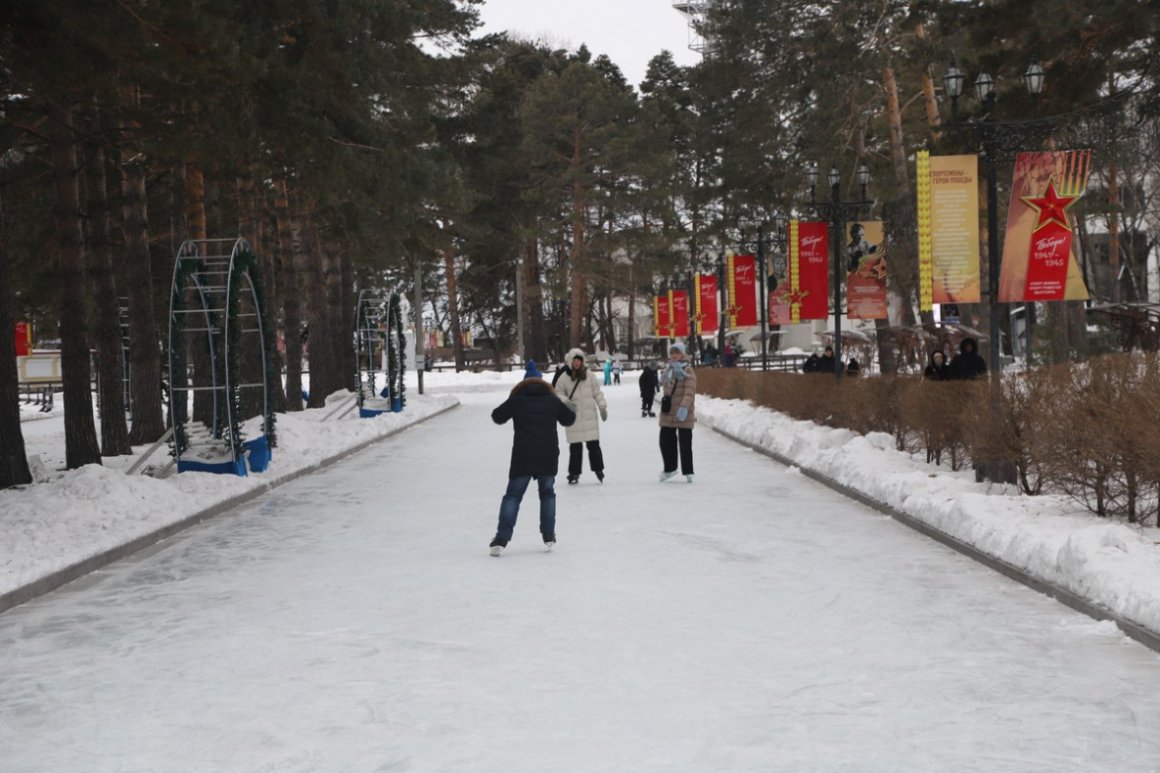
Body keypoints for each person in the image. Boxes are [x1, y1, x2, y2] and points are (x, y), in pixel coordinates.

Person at [488, 360, 576, 557]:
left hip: (523, 456)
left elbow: (497, 416)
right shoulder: (552, 401)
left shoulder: (518, 400)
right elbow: (569, 419)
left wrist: (511, 402)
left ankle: (501, 538)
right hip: (548, 454)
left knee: (513, 496)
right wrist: (567, 405)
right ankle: (548, 535)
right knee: (547, 493)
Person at [555, 347, 609, 484]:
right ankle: (574, 473)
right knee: (575, 448)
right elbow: (558, 393)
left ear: (582, 361)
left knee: (594, 446)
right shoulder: (564, 378)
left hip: (589, 416)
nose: (577, 363)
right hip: (574, 417)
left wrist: (602, 406)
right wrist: (566, 402)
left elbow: (597, 392)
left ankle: (599, 470)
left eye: (579, 360)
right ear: (570, 361)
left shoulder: (589, 376)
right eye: (574, 360)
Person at [658, 341, 697, 483]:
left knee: (685, 443)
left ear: (683, 354)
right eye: (672, 353)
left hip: (683, 412)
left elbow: (689, 391)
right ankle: (670, 468)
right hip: (668, 411)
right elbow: (663, 385)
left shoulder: (688, 371)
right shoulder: (669, 370)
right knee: (664, 441)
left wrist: (684, 407)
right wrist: (665, 373)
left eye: (677, 352)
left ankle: (688, 471)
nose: (674, 355)